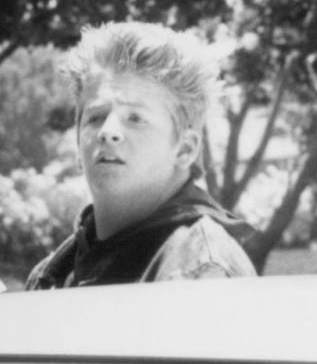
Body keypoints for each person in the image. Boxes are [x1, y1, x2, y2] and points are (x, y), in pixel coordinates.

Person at [25, 22, 257, 289]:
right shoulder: (51, 275)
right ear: (78, 144)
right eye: (95, 117)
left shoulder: (200, 272)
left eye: (135, 118)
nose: (107, 132)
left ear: (185, 149)